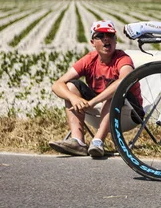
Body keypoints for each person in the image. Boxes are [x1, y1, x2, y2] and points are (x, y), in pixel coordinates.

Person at [48, 20, 143, 157]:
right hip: (98, 111)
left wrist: (92, 102)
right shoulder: (89, 59)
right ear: (92, 42)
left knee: (114, 89)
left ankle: (98, 141)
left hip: (130, 113)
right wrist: (74, 98)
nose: (106, 39)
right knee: (70, 86)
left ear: (115, 41)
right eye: (100, 36)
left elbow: (124, 81)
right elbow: (57, 84)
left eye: (110, 35)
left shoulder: (122, 58)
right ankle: (78, 142)